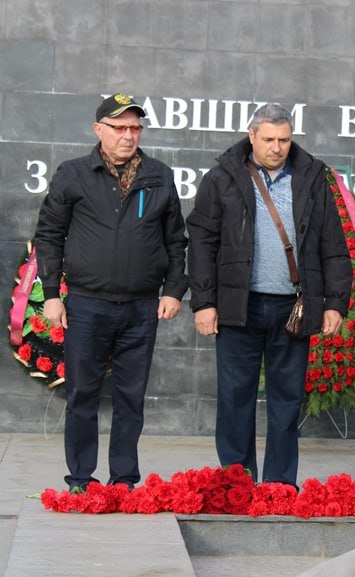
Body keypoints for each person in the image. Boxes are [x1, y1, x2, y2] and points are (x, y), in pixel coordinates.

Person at [186, 103, 351, 488]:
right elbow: (202, 242)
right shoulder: (222, 177)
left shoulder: (312, 178)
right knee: (234, 399)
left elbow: (333, 244)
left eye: (284, 140)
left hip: (292, 309)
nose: (277, 147)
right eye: (269, 139)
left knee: (287, 401)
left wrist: (335, 303)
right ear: (252, 136)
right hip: (237, 306)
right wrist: (204, 302)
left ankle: (279, 486)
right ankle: (237, 484)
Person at [34, 92, 189, 492]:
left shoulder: (158, 175)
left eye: (135, 128)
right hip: (87, 305)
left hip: (141, 307)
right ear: (98, 129)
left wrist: (173, 290)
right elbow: (49, 234)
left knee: (130, 398)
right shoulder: (73, 174)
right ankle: (80, 479)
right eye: (119, 127)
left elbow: (175, 240)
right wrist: (51, 294)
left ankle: (124, 479)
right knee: (82, 394)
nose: (128, 135)